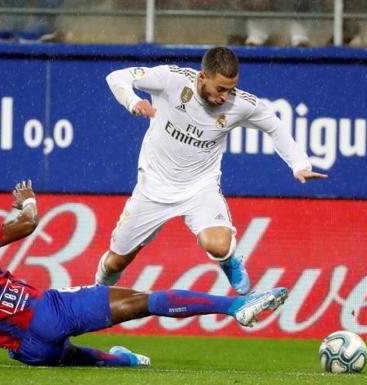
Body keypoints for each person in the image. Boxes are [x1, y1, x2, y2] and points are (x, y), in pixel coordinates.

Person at [0, 180, 289, 367]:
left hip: (26, 351)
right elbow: (26, 225)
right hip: (44, 312)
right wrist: (28, 201)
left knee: (72, 357)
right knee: (144, 302)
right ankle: (237, 305)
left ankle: (123, 362)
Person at [95, 47, 327, 293]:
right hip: (153, 189)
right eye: (221, 89)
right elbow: (116, 77)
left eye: (231, 89)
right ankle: (92, 295)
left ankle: (228, 261)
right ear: (203, 77)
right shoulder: (171, 80)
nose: (225, 97)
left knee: (219, 246)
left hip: (199, 190)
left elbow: (274, 126)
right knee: (114, 263)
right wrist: (132, 101)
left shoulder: (241, 104)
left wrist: (299, 164)